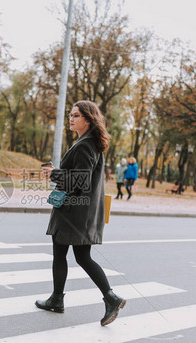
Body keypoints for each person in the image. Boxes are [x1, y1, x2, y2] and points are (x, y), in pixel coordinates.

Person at [37, 100, 126, 326]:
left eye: (76, 115)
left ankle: (108, 298)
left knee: (71, 255)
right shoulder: (87, 142)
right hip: (78, 211)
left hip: (73, 211)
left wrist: (53, 174)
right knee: (75, 255)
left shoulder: (86, 145)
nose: (71, 118)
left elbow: (81, 180)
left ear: (88, 118)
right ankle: (61, 298)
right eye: (70, 114)